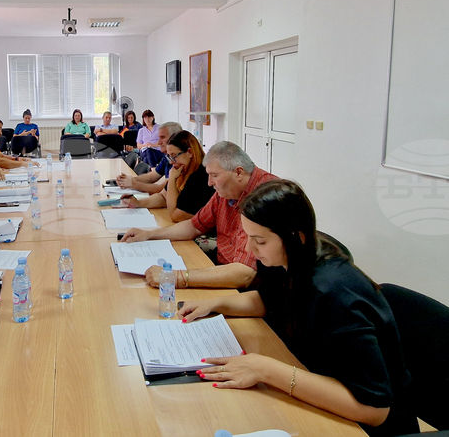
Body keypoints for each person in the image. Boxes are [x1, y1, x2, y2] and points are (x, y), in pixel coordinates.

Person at [178, 180, 416, 437]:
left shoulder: (333, 293)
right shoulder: (285, 257)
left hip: (369, 424)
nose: (249, 248)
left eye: (259, 241)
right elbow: (272, 301)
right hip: (312, 376)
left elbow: (375, 410)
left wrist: (266, 370)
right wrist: (216, 303)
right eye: (248, 237)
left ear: (295, 236)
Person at [122, 141, 277, 289]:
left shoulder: (265, 197)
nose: (209, 182)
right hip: (223, 269)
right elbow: (194, 226)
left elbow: (244, 274)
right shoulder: (226, 191)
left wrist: (174, 277)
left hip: (252, 288)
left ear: (239, 172)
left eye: (214, 175)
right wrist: (149, 234)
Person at [124, 131, 214, 222]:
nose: (171, 162)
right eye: (169, 157)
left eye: (174, 156)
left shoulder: (202, 176)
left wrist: (171, 179)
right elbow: (163, 197)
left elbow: (176, 216)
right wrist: (138, 203)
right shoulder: (183, 170)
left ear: (189, 152)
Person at [117, 121, 181, 195]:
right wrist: (130, 179)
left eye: (162, 137)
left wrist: (134, 184)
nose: (159, 142)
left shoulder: (180, 162)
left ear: (174, 138)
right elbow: (151, 177)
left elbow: (161, 189)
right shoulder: (167, 158)